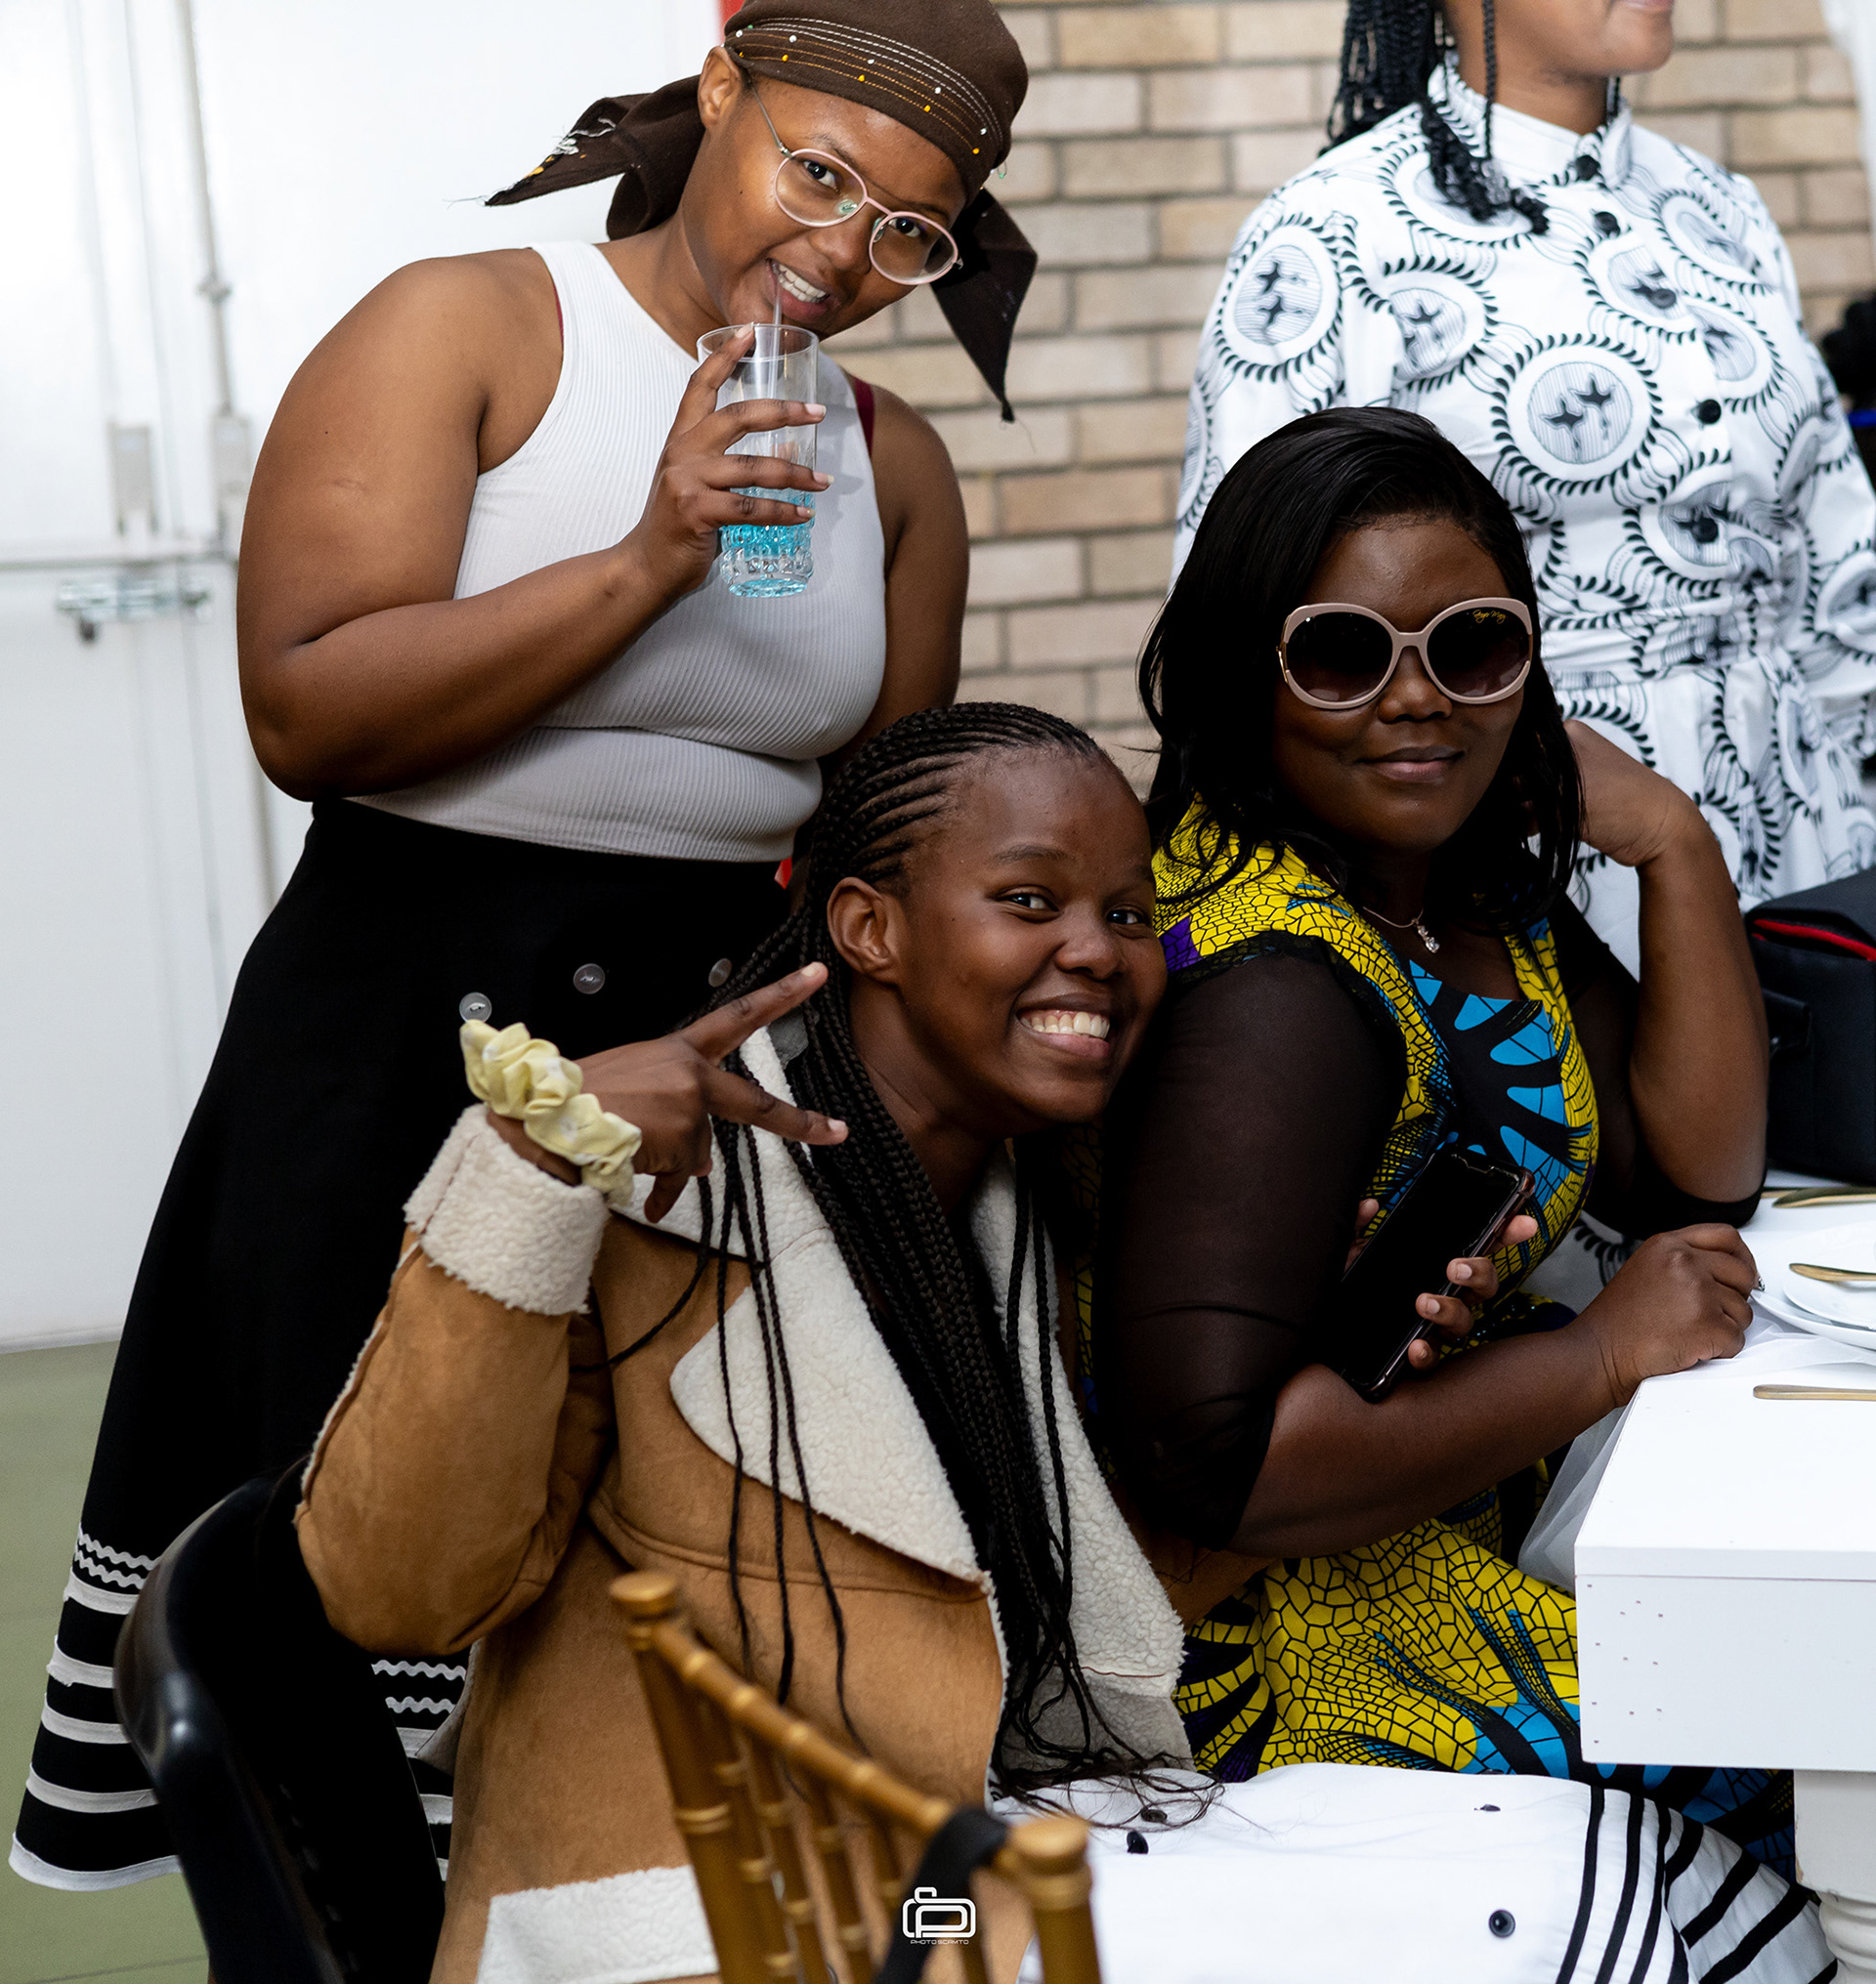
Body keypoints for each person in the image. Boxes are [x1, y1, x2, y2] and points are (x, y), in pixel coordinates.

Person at [296, 703, 1823, 1984]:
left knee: (1652, 1864)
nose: (1098, 950)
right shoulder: (656, 1197)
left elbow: (1063, 1634)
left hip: (986, 1844)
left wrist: (1331, 1355)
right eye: (1031, 900)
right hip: (747, 1917)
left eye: (1131, 913)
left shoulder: (1012, 1209)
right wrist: (530, 1165)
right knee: (1579, 1918)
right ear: (870, 927)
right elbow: (394, 1585)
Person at [15, 0, 1034, 1894]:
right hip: (402, 1033)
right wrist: (650, 556)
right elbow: (306, 708)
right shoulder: (474, 329)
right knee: (365, 1585)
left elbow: (873, 850)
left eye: (905, 232)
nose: (840, 255)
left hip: (707, 1075)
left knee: (640, 1644)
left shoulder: (896, 470)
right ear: (718, 91)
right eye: (815, 174)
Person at [1087, 408, 1796, 1872]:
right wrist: (1598, 1355)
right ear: (1244, 671)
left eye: (1472, 646)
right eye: (1342, 654)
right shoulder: (1274, 987)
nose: (1418, 700)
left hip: (1455, 1518)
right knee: (1799, 1727)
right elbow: (1225, 1474)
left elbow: (1696, 1169)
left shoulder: (1449, 892)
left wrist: (1673, 840)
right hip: (1287, 1646)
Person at [1175, 0, 1876, 977]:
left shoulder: (1722, 207)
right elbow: (1241, 627)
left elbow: (1834, 548)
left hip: (1812, 821)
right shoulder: (1336, 229)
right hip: (1538, 850)